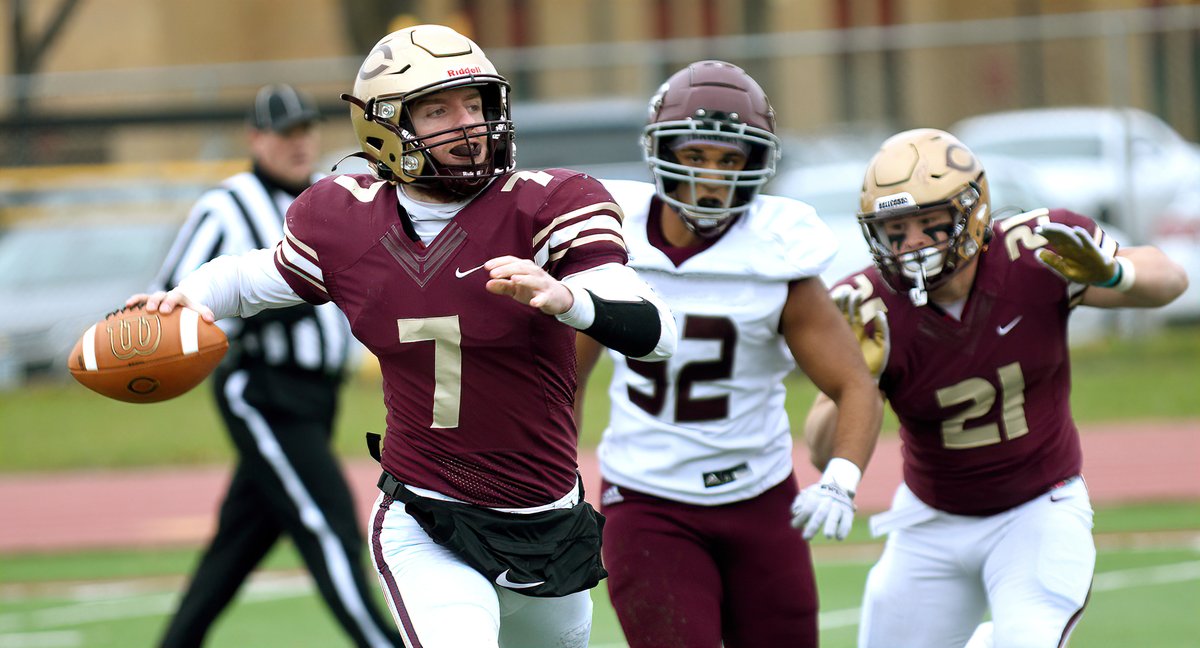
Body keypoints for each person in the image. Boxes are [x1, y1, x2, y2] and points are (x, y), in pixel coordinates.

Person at [130, 25, 678, 648]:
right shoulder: (344, 218)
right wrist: (189, 297)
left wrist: (572, 299)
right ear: (385, 126)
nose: (468, 123)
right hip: (426, 514)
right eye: (438, 109)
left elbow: (655, 331)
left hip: (546, 518)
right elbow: (255, 274)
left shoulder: (549, 204)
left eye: (475, 103)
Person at [803, 128, 1189, 648]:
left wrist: (1117, 272)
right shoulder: (868, 304)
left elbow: (1171, 279)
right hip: (931, 522)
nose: (912, 243)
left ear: (972, 211)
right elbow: (822, 448)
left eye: (928, 223)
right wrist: (859, 379)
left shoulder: (1034, 254)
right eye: (896, 229)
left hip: (1039, 508)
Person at [574, 60, 883, 648]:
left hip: (760, 498)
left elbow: (853, 384)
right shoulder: (614, 240)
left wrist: (841, 479)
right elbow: (565, 379)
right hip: (646, 500)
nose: (711, 179)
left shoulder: (777, 254)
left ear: (755, 164)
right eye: (695, 156)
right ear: (662, 151)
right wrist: (557, 486)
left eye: (729, 160)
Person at [149, 84, 399, 648]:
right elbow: (172, 299)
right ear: (256, 138)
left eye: (306, 129)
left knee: (240, 540)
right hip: (262, 389)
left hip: (318, 397)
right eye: (285, 132)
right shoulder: (228, 204)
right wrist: (259, 321)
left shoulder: (326, 197)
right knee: (327, 521)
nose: (299, 142)